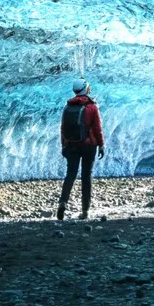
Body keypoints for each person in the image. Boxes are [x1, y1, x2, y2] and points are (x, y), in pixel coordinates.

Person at [57, 79, 105, 220]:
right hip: (89, 145)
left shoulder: (67, 106)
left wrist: (63, 145)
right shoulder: (92, 107)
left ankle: (63, 202)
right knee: (86, 176)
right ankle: (85, 211)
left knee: (70, 174)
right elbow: (97, 128)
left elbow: (62, 128)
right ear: (86, 89)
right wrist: (101, 144)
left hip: (71, 145)